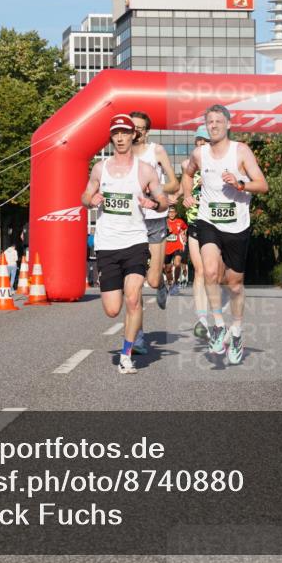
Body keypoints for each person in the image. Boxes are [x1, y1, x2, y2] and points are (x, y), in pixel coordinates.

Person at [182, 105, 268, 368]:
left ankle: (238, 332)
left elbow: (263, 185)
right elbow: (187, 174)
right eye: (210, 121)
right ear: (206, 125)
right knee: (209, 272)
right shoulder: (200, 153)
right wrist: (187, 194)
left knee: (234, 284)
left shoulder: (241, 152)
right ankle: (218, 327)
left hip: (237, 226)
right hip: (208, 221)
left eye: (219, 121)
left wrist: (240, 184)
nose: (214, 125)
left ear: (228, 125)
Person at [81, 114, 167, 374]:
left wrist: (154, 203)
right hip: (107, 243)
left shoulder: (145, 170)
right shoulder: (100, 168)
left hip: (135, 242)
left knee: (132, 300)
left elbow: (163, 200)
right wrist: (91, 200)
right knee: (112, 309)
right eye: (115, 133)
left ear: (133, 135)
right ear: (111, 137)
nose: (119, 138)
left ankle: (127, 353)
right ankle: (127, 340)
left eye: (124, 133)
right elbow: (85, 195)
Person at [131, 111, 180, 317]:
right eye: (131, 127)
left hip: (154, 218)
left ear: (147, 132)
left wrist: (154, 188)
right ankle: (137, 335)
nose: (135, 132)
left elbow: (174, 183)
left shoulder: (156, 151)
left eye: (139, 128)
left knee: (151, 279)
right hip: (130, 220)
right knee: (133, 282)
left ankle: (160, 284)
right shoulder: (121, 153)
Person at [182, 127, 211, 340]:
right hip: (194, 222)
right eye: (198, 141)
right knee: (200, 270)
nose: (201, 145)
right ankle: (202, 319)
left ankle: (214, 310)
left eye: (205, 141)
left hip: (216, 224)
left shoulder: (221, 166)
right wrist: (184, 195)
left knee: (214, 273)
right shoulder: (187, 166)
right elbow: (184, 192)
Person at [164, 205, 188, 295]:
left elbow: (185, 228)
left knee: (177, 264)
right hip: (167, 247)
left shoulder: (180, 221)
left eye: (173, 212)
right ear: (167, 213)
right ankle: (170, 283)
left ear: (176, 213)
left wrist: (184, 235)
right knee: (167, 269)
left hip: (178, 246)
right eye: (170, 212)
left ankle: (176, 283)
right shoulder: (164, 222)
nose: (171, 214)